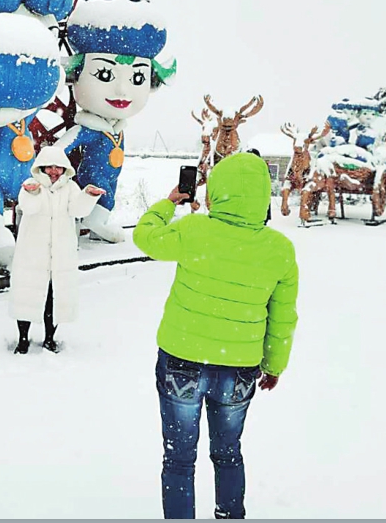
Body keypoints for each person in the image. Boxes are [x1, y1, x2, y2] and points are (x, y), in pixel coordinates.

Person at [133, 152, 299, 519]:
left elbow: (144, 238)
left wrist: (169, 201)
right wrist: (274, 365)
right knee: (228, 453)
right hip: (238, 369)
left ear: (216, 191)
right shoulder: (279, 249)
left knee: (179, 457)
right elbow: (283, 316)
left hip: (181, 360)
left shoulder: (193, 231)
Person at [9, 146, 106, 353]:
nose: (54, 171)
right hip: (32, 253)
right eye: (50, 167)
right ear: (42, 167)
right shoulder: (30, 184)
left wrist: (88, 195)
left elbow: (77, 210)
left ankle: (49, 338)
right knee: (27, 295)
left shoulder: (70, 188)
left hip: (61, 254)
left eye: (58, 167)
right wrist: (33, 194)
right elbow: (28, 208)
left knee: (54, 298)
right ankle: (23, 339)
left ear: (65, 169)